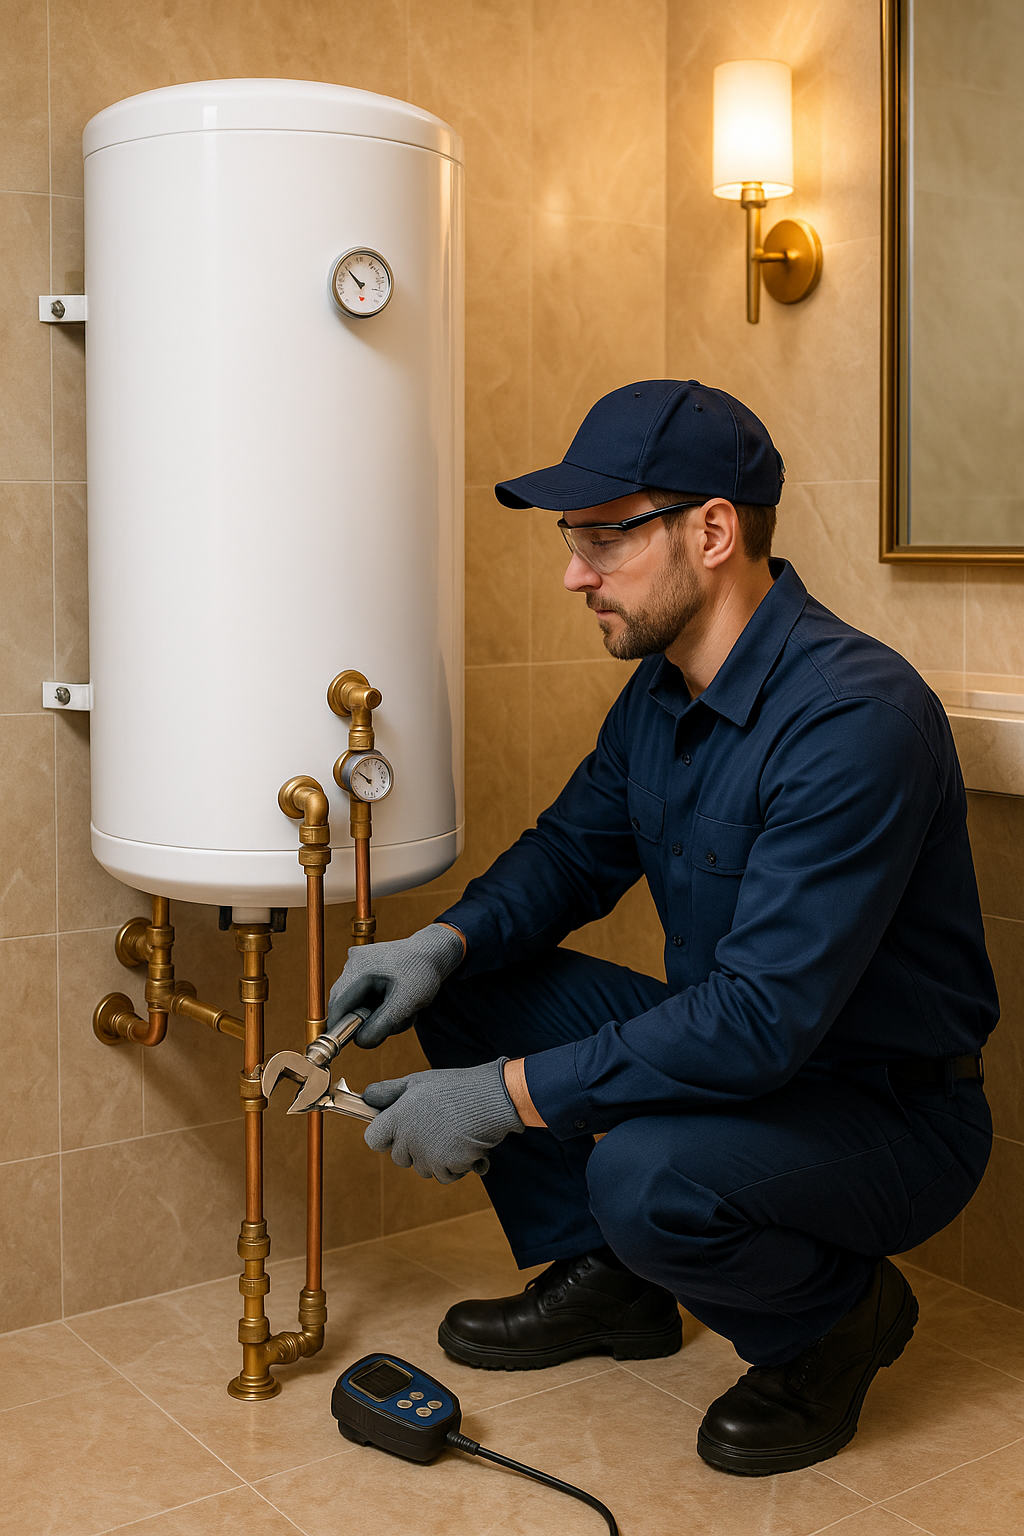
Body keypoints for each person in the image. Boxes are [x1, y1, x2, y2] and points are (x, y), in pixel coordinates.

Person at [328, 378, 997, 1476]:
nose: (573, 571)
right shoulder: (660, 688)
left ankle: (835, 1322)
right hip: (746, 1055)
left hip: (882, 1111)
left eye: (603, 536)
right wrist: (437, 946)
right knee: (474, 981)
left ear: (714, 530)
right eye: (571, 536)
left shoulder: (852, 721)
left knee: (643, 1172)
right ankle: (619, 1287)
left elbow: (756, 1023)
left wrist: (499, 1097)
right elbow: (568, 855)